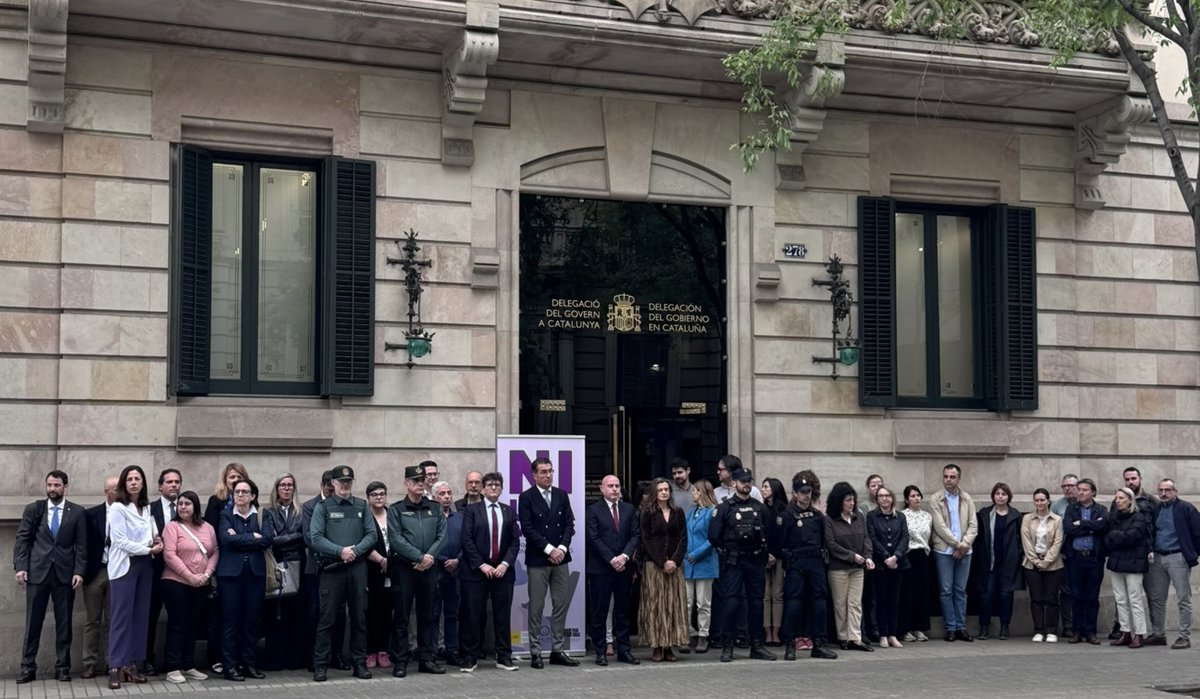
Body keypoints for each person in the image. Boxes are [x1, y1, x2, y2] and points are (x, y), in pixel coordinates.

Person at [14, 470, 86, 683]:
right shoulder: (34, 509)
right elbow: (22, 540)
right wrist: (21, 567)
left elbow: (82, 545)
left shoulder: (77, 512)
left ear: (65, 487)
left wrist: (79, 571)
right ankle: (27, 667)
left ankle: (63, 667)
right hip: (37, 573)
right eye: (49, 485)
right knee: (33, 623)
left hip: (64, 575)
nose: (52, 489)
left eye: (57, 485)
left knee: (64, 623)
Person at [309, 465, 377, 682]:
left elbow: (372, 535)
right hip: (332, 570)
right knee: (327, 619)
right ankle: (320, 665)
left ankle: (359, 664)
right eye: (341, 482)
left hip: (357, 568)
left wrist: (354, 552)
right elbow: (316, 538)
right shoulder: (323, 507)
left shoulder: (361, 505)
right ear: (333, 484)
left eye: (349, 482)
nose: (345, 485)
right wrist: (340, 551)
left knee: (359, 618)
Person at [708, 466, 776, 662]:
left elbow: (769, 532)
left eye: (749, 481)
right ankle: (727, 646)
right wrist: (728, 550)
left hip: (755, 560)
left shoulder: (760, 507)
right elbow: (713, 536)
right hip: (734, 561)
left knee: (756, 603)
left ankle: (757, 645)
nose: (746, 484)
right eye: (742, 481)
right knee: (731, 602)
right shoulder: (724, 508)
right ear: (734, 483)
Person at [518, 456, 579, 669]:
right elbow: (527, 528)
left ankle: (557, 650)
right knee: (536, 606)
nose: (548, 475)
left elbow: (569, 525)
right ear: (534, 475)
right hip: (538, 559)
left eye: (550, 471)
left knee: (561, 604)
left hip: (561, 559)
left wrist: (561, 549)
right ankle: (535, 652)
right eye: (543, 472)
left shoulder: (561, 495)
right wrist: (549, 549)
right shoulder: (526, 497)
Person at [388, 465, 447, 677]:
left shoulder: (435, 508)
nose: (420, 484)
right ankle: (400, 661)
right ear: (406, 483)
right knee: (402, 617)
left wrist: (428, 557)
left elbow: (442, 535)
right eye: (415, 481)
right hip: (405, 568)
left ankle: (427, 659)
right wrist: (419, 557)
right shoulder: (396, 509)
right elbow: (396, 539)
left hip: (429, 569)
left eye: (422, 480)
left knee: (428, 615)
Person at [459, 472, 520, 672]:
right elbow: (467, 540)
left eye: (497, 485)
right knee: (473, 615)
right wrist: (481, 565)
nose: (493, 488)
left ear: (501, 489)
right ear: (483, 489)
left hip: (502, 572)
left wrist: (505, 564)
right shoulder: (472, 511)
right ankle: (470, 657)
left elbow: (515, 542)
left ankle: (504, 656)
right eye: (490, 485)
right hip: (476, 572)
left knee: (502, 615)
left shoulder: (509, 511)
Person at [106, 465, 161, 689]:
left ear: (143, 483)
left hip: (145, 564)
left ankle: (131, 665)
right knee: (121, 617)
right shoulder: (118, 508)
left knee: (140, 616)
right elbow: (120, 541)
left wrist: (156, 540)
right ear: (124, 483)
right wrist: (148, 549)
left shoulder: (145, 508)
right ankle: (114, 666)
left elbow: (150, 531)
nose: (134, 482)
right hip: (125, 566)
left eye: (138, 478)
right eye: (130, 479)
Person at [773, 474, 837, 660]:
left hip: (815, 562)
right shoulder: (786, 516)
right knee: (793, 603)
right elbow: (779, 543)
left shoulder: (817, 516)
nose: (806, 495)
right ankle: (790, 644)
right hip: (796, 563)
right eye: (802, 492)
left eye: (808, 492)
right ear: (794, 493)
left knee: (819, 602)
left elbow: (823, 540)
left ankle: (819, 644)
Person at [216, 478, 272, 680]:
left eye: (244, 492)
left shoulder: (263, 515)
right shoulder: (226, 514)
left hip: (255, 575)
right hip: (230, 575)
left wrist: (240, 538)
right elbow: (226, 539)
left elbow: (267, 540)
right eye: (236, 492)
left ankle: (249, 665)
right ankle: (230, 667)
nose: (239, 495)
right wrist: (252, 537)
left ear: (253, 496)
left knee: (251, 621)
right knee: (230, 621)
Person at [160, 490, 218, 684]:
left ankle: (188, 665)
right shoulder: (172, 527)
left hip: (201, 583)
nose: (183, 507)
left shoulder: (208, 528)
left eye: (187, 504)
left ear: (196, 506)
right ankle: (173, 668)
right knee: (178, 624)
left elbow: (215, 552)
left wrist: (206, 574)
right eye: (180, 504)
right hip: (176, 583)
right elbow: (170, 555)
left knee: (193, 624)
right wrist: (190, 576)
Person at [585, 475, 640, 666]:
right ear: (602, 489)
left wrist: (624, 556)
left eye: (617, 486)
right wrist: (611, 559)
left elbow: (635, 535)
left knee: (623, 611)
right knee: (600, 611)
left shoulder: (629, 509)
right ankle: (600, 651)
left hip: (624, 568)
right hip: (601, 569)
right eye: (610, 486)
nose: (615, 489)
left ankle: (624, 650)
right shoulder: (593, 510)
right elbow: (593, 538)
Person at [638, 478, 689, 662]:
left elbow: (683, 538)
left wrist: (674, 560)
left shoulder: (678, 512)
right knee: (656, 606)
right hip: (654, 565)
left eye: (666, 489)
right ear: (655, 493)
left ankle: (669, 646)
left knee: (673, 605)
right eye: (660, 490)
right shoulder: (647, 513)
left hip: (674, 566)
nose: (664, 492)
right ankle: (657, 646)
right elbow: (646, 540)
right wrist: (662, 562)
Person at [302, 470, 346, 672]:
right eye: (329, 490)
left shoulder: (344, 505)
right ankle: (314, 656)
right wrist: (335, 551)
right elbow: (310, 537)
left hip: (339, 567)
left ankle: (336, 654)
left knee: (339, 612)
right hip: (317, 567)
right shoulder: (310, 506)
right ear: (323, 486)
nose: (331, 493)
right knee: (315, 612)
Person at [1147, 478, 1200, 649]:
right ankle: (1158, 634)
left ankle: (1184, 636)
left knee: (1183, 598)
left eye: (1168, 490)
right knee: (1157, 598)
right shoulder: (1156, 509)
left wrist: (1191, 554)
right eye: (1160, 490)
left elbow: (1198, 533)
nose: (1164, 493)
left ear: (1175, 491)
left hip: (1178, 557)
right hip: (1158, 557)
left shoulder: (1186, 508)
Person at [261, 473, 306, 671]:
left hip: (297, 564)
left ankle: (293, 658)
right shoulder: (269, 512)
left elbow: (304, 537)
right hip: (276, 565)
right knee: (274, 612)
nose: (286, 488)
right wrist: (293, 537)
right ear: (277, 489)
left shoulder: (301, 512)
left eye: (290, 485)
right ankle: (274, 659)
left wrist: (283, 538)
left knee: (294, 613)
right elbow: (269, 539)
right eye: (282, 485)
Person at [824, 481, 874, 652]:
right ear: (839, 501)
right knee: (840, 604)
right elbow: (831, 544)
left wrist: (868, 557)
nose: (852, 503)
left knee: (855, 603)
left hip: (858, 568)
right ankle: (843, 636)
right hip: (838, 567)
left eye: (853, 499)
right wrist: (852, 556)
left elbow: (866, 538)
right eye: (848, 500)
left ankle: (855, 637)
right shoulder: (830, 519)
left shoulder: (859, 517)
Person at [930, 463, 977, 642]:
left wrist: (964, 545)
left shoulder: (966, 498)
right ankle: (950, 628)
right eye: (946, 476)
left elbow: (973, 524)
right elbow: (939, 526)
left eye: (952, 477)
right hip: (944, 551)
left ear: (959, 478)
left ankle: (961, 627)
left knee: (960, 590)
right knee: (946, 590)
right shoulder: (936, 499)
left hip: (965, 551)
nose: (948, 480)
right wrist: (957, 545)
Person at [973, 482, 1023, 640]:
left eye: (1003, 494)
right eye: (997, 494)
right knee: (986, 595)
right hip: (989, 562)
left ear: (1009, 497)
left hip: (1008, 563)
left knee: (1006, 595)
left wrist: (1018, 555)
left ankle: (1004, 627)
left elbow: (1020, 539)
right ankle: (984, 627)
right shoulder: (984, 514)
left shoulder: (1016, 516)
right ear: (993, 496)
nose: (1000, 497)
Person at [145, 468, 183, 675]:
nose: (174, 485)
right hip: (155, 571)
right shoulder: (149, 509)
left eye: (177, 482)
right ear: (160, 486)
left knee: (178, 618)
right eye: (169, 482)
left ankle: (175, 662)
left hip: (180, 572)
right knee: (150, 617)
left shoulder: (186, 508)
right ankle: (148, 660)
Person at [81, 476, 119, 679]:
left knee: (113, 620)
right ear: (106, 492)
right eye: (115, 489)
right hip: (96, 571)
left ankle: (111, 662)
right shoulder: (91, 515)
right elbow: (82, 545)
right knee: (92, 619)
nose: (119, 493)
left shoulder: (128, 513)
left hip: (119, 570)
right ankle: (89, 663)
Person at [1063, 478, 1108, 645]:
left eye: (1084, 490)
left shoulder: (1101, 509)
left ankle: (1090, 631)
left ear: (1093, 492)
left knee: (1092, 597)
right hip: (1075, 558)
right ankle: (1076, 631)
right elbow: (1069, 529)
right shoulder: (1071, 508)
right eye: (1079, 489)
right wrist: (1091, 527)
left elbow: (1103, 527)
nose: (1080, 492)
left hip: (1094, 558)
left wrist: (1082, 523)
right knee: (1076, 596)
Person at [1105, 487, 1149, 648]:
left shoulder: (1139, 517)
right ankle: (1125, 632)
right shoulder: (1114, 517)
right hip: (1116, 563)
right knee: (1120, 599)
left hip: (1134, 564)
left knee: (1134, 599)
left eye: (1122, 498)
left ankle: (1139, 634)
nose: (1118, 501)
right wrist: (1117, 537)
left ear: (1130, 500)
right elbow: (1107, 539)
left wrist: (1115, 536)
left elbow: (1130, 537)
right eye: (1116, 498)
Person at [866, 485, 908, 648]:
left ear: (892, 498)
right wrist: (886, 556)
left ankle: (893, 634)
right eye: (881, 496)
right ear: (877, 499)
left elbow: (905, 538)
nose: (884, 498)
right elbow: (872, 538)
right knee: (881, 599)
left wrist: (896, 556)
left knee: (894, 600)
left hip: (897, 564)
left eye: (887, 495)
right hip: (880, 564)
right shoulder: (871, 516)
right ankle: (883, 634)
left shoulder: (901, 517)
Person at [1021, 487, 1064, 643]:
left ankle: (1052, 630)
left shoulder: (1057, 520)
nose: (1039, 503)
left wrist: (1046, 561)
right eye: (1037, 500)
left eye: (1042, 500)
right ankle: (1038, 630)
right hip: (1031, 564)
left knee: (1052, 598)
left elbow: (1058, 542)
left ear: (1048, 501)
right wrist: (1036, 561)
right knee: (1036, 598)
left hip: (1053, 564)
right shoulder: (1027, 519)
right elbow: (1026, 541)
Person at [682, 480, 718, 654]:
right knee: (687, 602)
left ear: (702, 492)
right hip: (688, 563)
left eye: (695, 490)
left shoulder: (713, 512)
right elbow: (684, 534)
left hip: (704, 562)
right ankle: (688, 633)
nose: (692, 493)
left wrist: (697, 554)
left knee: (703, 602)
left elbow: (714, 538)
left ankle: (704, 635)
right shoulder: (691, 512)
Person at [431, 481, 463, 666]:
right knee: (434, 614)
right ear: (434, 497)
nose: (446, 497)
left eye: (449, 493)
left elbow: (468, 541)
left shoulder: (459, 518)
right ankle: (432, 652)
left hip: (455, 572)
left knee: (452, 614)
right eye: (442, 493)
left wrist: (458, 559)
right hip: (436, 570)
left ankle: (452, 650)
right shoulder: (429, 517)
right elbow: (427, 542)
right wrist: (444, 560)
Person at [364, 481, 393, 669]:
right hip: (372, 570)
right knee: (371, 612)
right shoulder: (364, 517)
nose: (379, 497)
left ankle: (383, 650)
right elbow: (362, 542)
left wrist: (390, 561)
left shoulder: (393, 515)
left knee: (387, 612)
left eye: (382, 494)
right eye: (374, 494)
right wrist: (381, 560)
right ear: (368, 498)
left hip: (392, 571)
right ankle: (370, 651)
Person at [898, 485, 932, 642]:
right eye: (912, 496)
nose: (916, 498)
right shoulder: (902, 515)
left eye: (918, 495)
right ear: (906, 499)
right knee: (908, 592)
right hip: (908, 554)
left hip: (923, 555)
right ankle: (906, 629)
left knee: (922, 593)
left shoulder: (927, 516)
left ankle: (920, 628)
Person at [1050, 473, 1078, 635]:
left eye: (1071, 486)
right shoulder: (1057, 506)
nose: (1067, 489)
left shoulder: (1084, 504)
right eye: (1064, 486)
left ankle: (1081, 625)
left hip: (1082, 554)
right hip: (1063, 555)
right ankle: (1068, 625)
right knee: (1066, 591)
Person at [761, 477, 787, 646]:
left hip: (779, 557)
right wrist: (766, 554)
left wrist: (775, 554)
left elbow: (784, 536)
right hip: (763, 556)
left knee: (777, 595)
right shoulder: (760, 508)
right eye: (762, 487)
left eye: (766, 487)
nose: (763, 490)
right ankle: (766, 632)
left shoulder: (784, 510)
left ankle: (776, 632)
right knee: (765, 595)